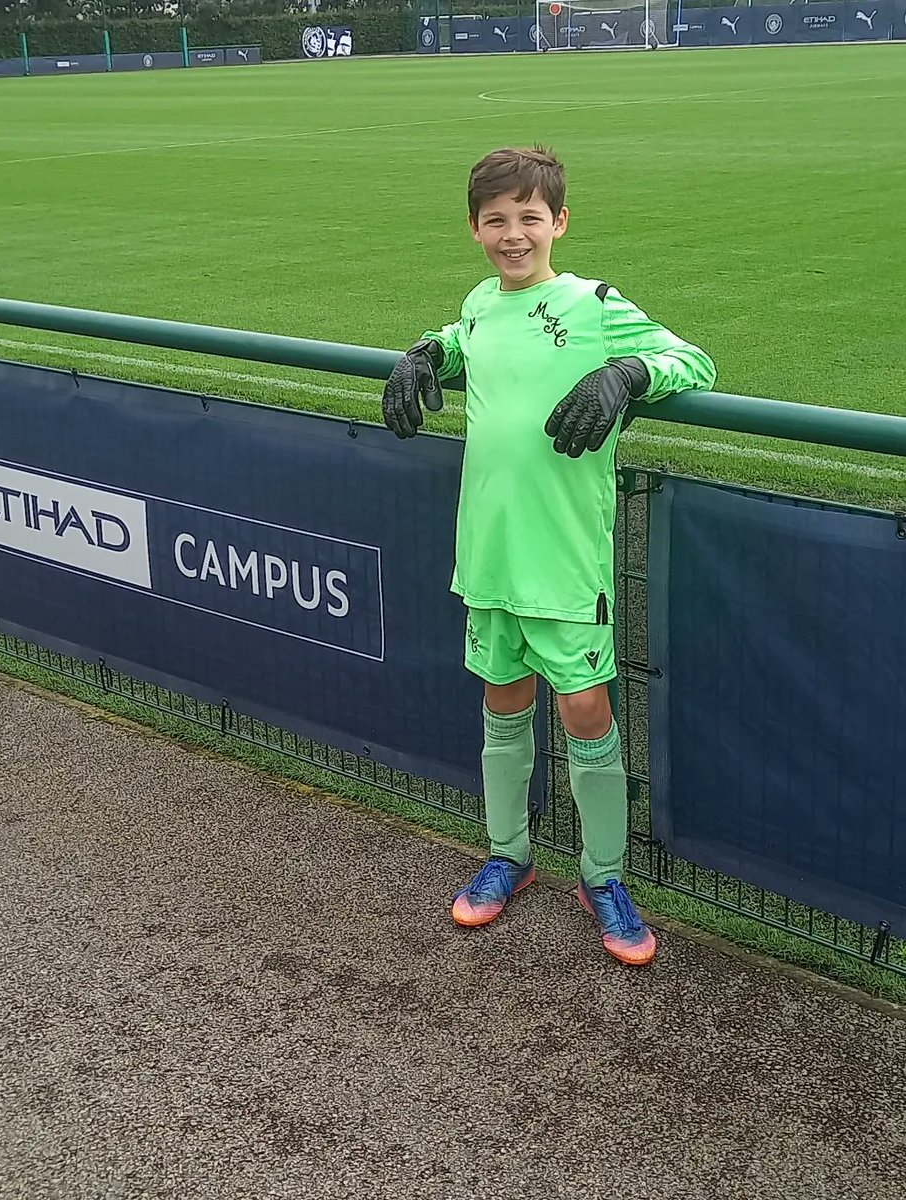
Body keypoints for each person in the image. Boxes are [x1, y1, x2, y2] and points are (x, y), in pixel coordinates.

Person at [381, 145, 716, 967]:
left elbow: (694, 362)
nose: (512, 234)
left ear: (558, 223)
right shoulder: (479, 302)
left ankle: (601, 875)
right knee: (502, 701)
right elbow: (465, 336)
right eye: (495, 220)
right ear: (474, 229)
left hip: (564, 562)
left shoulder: (592, 303)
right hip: (488, 556)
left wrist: (628, 374)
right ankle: (508, 855)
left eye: (529, 218)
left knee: (584, 711)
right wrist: (425, 353)